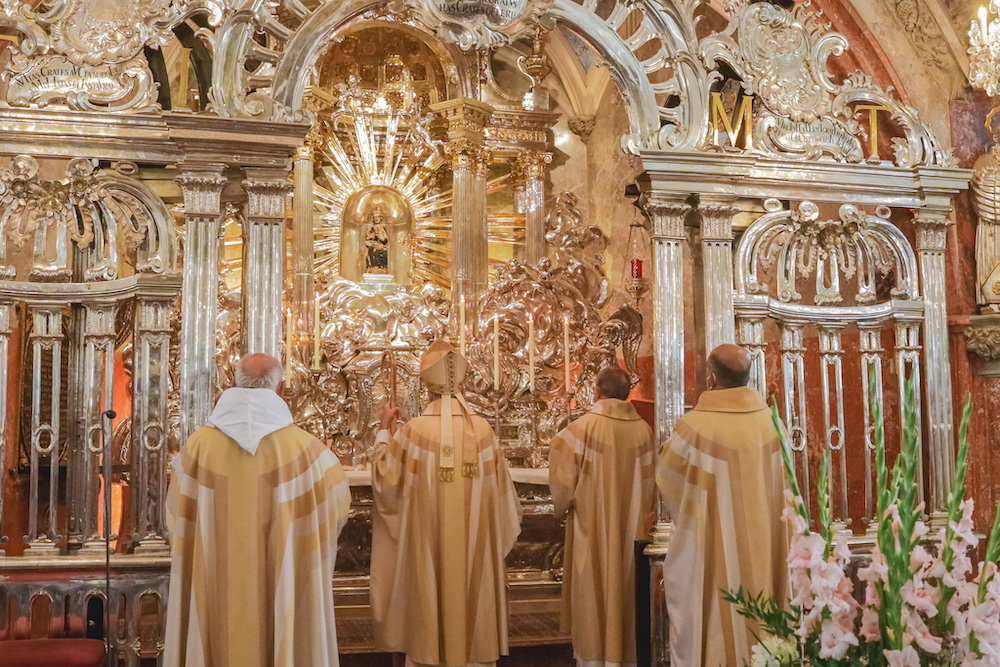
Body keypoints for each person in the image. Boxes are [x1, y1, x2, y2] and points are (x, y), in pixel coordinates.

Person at [163, 353, 351, 667]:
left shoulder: (195, 450)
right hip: (283, 591)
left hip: (214, 597)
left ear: (234, 384)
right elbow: (336, 512)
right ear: (281, 389)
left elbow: (176, 520)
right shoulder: (309, 452)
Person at [371, 339, 522, 667]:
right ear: (461, 385)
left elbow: (385, 481)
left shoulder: (413, 432)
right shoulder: (483, 432)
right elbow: (504, 504)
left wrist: (385, 432)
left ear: (427, 389)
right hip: (474, 561)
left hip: (429, 557)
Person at [656, 344, 790, 667]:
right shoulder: (775, 427)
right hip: (768, 552)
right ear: (748, 377)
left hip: (715, 553)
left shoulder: (694, 429)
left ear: (711, 377)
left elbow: (668, 483)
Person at [548, 366, 656, 667]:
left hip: (591, 532)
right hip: (631, 534)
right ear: (627, 394)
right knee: (626, 596)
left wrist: (562, 509)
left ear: (597, 392)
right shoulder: (645, 432)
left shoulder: (578, 431)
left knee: (593, 598)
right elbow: (650, 490)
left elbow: (561, 491)